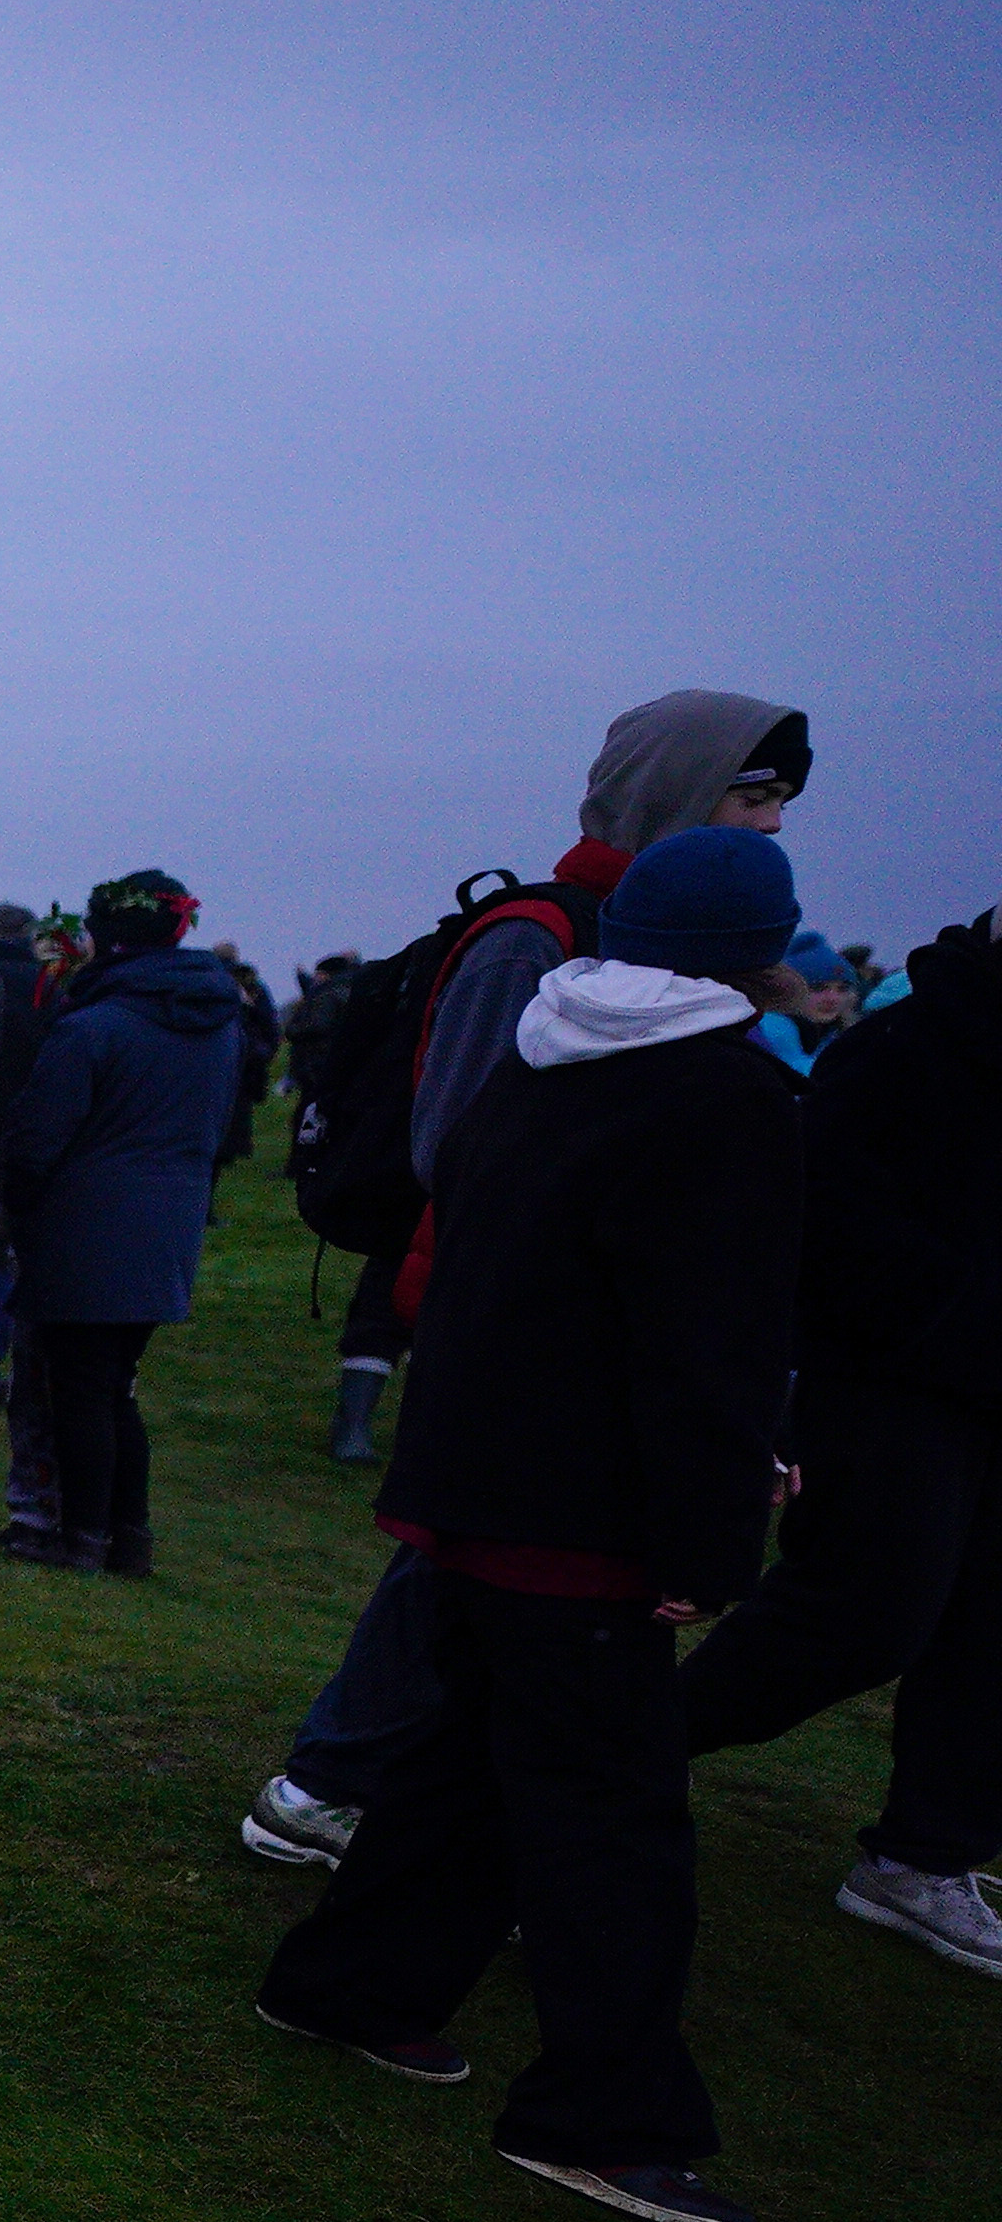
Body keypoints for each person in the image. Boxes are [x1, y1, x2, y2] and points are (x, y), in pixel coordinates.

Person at [254, 827, 806, 2222]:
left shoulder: (545, 1057)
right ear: (759, 948)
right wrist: (707, 1539)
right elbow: (703, 1342)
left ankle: (347, 1986)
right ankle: (602, 2117)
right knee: (613, 1820)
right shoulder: (720, 1096)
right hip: (586, 1516)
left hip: (480, 1478)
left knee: (466, 1764)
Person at [243, 691, 811, 1869]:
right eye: (751, 796)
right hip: (498, 1296)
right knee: (469, 1552)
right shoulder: (541, 932)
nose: (768, 826)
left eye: (779, 804)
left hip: (558, 1301)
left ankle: (383, 1793)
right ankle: (336, 1784)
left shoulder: (652, 938)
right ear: (677, 792)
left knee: (485, 1561)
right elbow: (460, 1134)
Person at [678, 910, 1000, 1975]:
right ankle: (633, 1744)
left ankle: (923, 1855)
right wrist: (958, 1317)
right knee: (866, 1610)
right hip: (892, 1385)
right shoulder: (906, 1044)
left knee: (988, 1627)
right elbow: (824, 1221)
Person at [0, 872, 249, 1574]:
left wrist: (14, 1210)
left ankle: (81, 1539)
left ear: (103, 938)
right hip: (169, 1225)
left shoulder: (93, 1025)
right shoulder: (217, 1024)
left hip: (85, 1223)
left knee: (78, 1388)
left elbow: (38, 1137)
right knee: (115, 1386)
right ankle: (127, 1538)